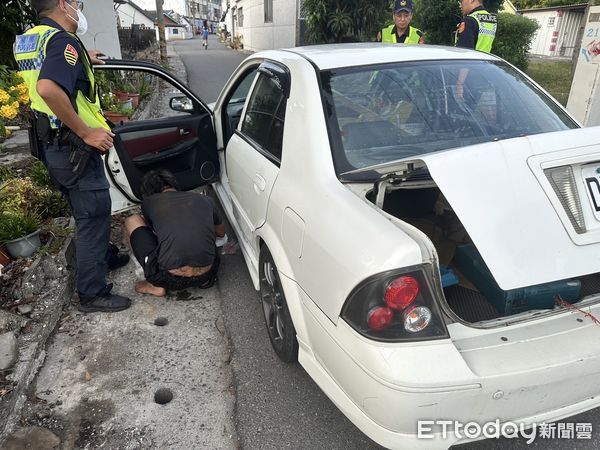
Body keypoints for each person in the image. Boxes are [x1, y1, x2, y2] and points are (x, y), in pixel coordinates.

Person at [14, 0, 131, 313]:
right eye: (78, 3)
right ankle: (92, 293)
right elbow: (49, 88)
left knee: (86, 210)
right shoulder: (62, 41)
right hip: (73, 145)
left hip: (51, 144)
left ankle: (101, 257)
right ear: (64, 5)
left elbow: (42, 71)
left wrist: (83, 60)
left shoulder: (30, 39)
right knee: (93, 214)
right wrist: (86, 132)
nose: (80, 9)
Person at [124, 170, 225, 297]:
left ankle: (155, 286)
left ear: (148, 192)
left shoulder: (149, 203)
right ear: (174, 185)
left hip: (167, 278)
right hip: (208, 272)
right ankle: (204, 281)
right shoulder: (205, 199)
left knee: (131, 220)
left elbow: (153, 233)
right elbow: (221, 233)